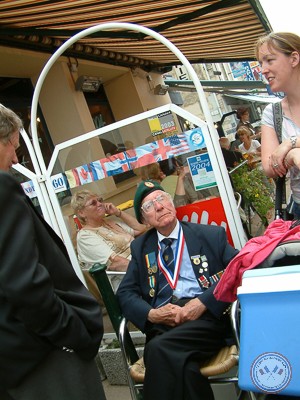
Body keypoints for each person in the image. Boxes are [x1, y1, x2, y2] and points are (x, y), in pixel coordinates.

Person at [0, 103, 106, 400]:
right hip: (44, 355)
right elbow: (24, 285)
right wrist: (73, 334)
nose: (14, 160)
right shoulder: (2, 189)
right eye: (15, 149)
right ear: (5, 139)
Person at [116, 179, 238, 400]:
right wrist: (151, 314)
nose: (159, 206)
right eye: (149, 206)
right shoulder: (141, 247)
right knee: (184, 366)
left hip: (205, 318)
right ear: (144, 219)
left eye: (161, 198)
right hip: (165, 323)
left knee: (156, 350)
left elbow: (238, 270)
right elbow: (125, 293)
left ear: (171, 202)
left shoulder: (209, 235)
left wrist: (203, 302)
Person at [255, 32, 300, 219]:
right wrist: (291, 157)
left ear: (294, 58)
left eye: (269, 60)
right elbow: (268, 166)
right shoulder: (272, 113)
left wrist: (291, 144)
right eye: (261, 63)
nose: (263, 70)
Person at [71, 190, 146, 291]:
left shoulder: (109, 222)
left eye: (100, 200)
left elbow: (141, 229)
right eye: (93, 203)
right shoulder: (85, 236)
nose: (100, 204)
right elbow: (117, 263)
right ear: (81, 212)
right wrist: (147, 270)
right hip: (127, 281)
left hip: (141, 266)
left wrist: (118, 212)